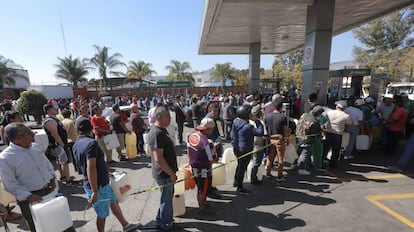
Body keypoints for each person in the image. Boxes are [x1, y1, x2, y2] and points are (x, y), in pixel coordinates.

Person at [72, 118, 139, 232]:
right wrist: (95, 191)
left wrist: (105, 172)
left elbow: (90, 165)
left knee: (114, 202)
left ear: (77, 131)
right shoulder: (91, 143)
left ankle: (125, 225)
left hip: (101, 183)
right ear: (92, 129)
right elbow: (90, 167)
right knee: (102, 214)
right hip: (98, 187)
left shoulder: (76, 144)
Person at [0, 123, 58, 232]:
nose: (33, 134)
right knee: (38, 227)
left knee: (54, 223)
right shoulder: (5, 158)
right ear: (19, 138)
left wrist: (52, 178)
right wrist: (28, 196)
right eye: (29, 133)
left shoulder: (35, 148)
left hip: (48, 191)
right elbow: (9, 184)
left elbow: (47, 165)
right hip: (30, 199)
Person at [147, 106, 181, 231]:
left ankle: (161, 220)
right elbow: (159, 158)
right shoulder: (157, 133)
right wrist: (171, 173)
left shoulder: (162, 130)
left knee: (165, 199)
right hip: (164, 174)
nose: (170, 118)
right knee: (166, 200)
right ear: (159, 117)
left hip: (166, 173)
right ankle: (166, 225)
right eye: (167, 116)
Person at [187, 118, 218, 214]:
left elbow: (189, 151)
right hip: (204, 169)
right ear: (208, 129)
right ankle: (202, 207)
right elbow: (212, 159)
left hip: (193, 166)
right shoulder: (207, 142)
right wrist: (215, 149)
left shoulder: (191, 135)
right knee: (203, 189)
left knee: (199, 186)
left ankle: (202, 202)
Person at [232, 104, 264, 195]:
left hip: (237, 148)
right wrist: (257, 121)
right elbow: (260, 132)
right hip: (245, 149)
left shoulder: (236, 121)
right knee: (242, 168)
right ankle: (240, 187)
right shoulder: (247, 127)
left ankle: (236, 181)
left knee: (239, 166)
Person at [43, 104, 74, 183]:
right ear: (49, 111)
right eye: (53, 108)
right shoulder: (50, 120)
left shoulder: (55, 119)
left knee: (61, 160)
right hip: (58, 144)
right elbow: (54, 134)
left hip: (60, 143)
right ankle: (68, 179)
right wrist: (62, 144)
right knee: (64, 161)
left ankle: (63, 175)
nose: (56, 109)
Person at [264, 99, 289, 181]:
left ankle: (268, 172)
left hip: (270, 139)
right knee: (280, 158)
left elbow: (265, 128)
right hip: (279, 139)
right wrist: (287, 139)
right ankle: (279, 175)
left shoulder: (267, 116)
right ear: (281, 108)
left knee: (270, 156)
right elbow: (285, 130)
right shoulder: (282, 117)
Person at [323, 100, 353, 168]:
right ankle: (333, 164)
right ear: (344, 108)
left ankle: (321, 161)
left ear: (337, 106)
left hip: (328, 132)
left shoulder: (329, 112)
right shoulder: (346, 116)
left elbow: (324, 120)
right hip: (338, 134)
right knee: (336, 150)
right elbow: (350, 124)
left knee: (325, 149)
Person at [296, 106, 323, 175]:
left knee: (298, 151)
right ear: (319, 113)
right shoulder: (315, 121)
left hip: (299, 136)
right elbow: (316, 133)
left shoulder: (304, 114)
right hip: (307, 140)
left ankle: (293, 164)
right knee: (305, 154)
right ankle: (301, 169)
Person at [249, 104, 267, 184]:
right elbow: (264, 134)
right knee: (256, 162)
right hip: (258, 146)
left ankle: (250, 175)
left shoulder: (248, 122)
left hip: (249, 145)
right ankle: (253, 178)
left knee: (251, 161)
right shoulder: (260, 123)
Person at [61, 109, 80, 174]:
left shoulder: (61, 122)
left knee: (69, 156)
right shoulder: (72, 122)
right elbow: (76, 131)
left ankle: (73, 169)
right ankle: (78, 168)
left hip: (66, 141)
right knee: (76, 156)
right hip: (73, 140)